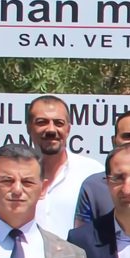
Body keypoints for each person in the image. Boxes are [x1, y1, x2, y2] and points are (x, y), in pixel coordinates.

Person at [26, 95, 102, 238]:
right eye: (41, 122)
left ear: (68, 129)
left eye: (58, 123)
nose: (51, 130)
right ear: (29, 127)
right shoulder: (16, 176)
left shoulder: (93, 173)